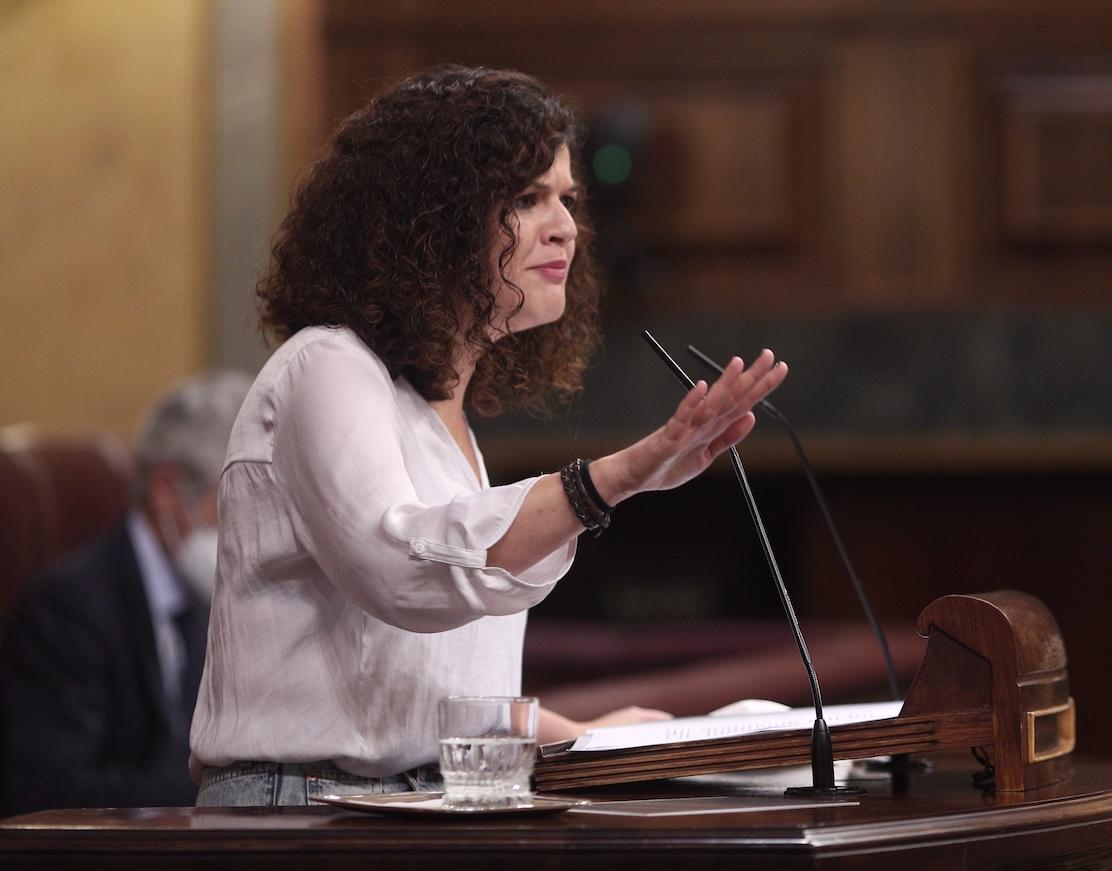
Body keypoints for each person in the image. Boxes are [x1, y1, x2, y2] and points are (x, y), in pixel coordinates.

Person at [190, 65, 788, 807]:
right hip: (303, 806)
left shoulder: (441, 420)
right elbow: (402, 567)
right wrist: (612, 478)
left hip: (416, 797)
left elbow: (420, 685)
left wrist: (589, 732)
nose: (566, 225)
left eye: (565, 198)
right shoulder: (326, 366)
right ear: (433, 219)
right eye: (527, 198)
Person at [0, 371, 250, 815]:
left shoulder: (214, 601)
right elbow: (49, 793)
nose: (250, 532)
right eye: (232, 504)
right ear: (167, 490)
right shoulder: (65, 609)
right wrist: (222, 787)